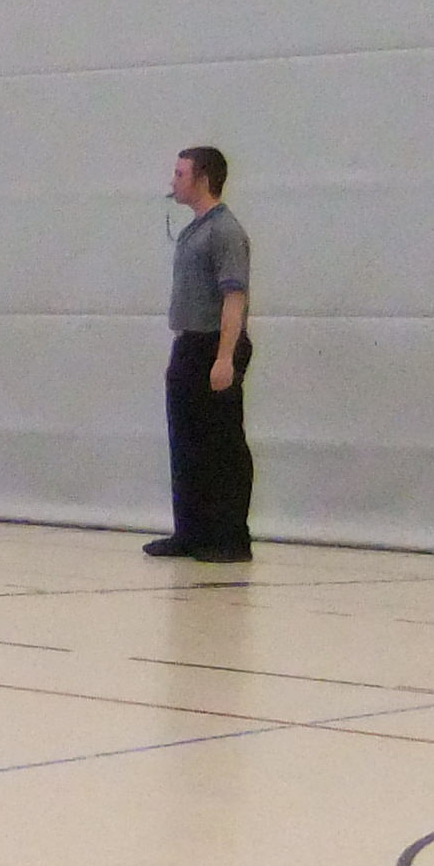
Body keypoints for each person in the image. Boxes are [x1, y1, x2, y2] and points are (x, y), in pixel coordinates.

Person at [149, 144, 255, 562]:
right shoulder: (195, 230)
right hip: (189, 344)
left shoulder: (224, 232)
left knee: (222, 444)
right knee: (187, 442)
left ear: (203, 179)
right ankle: (190, 532)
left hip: (214, 344)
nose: (173, 181)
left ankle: (230, 537)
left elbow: (234, 297)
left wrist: (225, 357)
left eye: (180, 174)